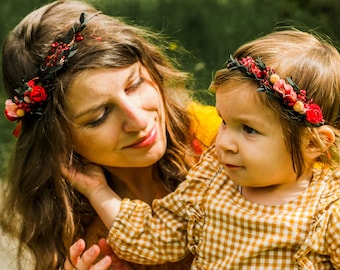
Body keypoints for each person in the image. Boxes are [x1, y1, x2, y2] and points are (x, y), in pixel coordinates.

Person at [64, 29, 340, 269]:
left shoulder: (329, 210)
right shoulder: (211, 182)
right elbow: (150, 237)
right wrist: (98, 191)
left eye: (249, 129)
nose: (222, 143)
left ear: (312, 143)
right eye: (223, 121)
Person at [0, 0, 220, 269]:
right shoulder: (77, 231)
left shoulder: (217, 141)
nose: (138, 120)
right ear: (58, 139)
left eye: (135, 84)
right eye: (99, 117)